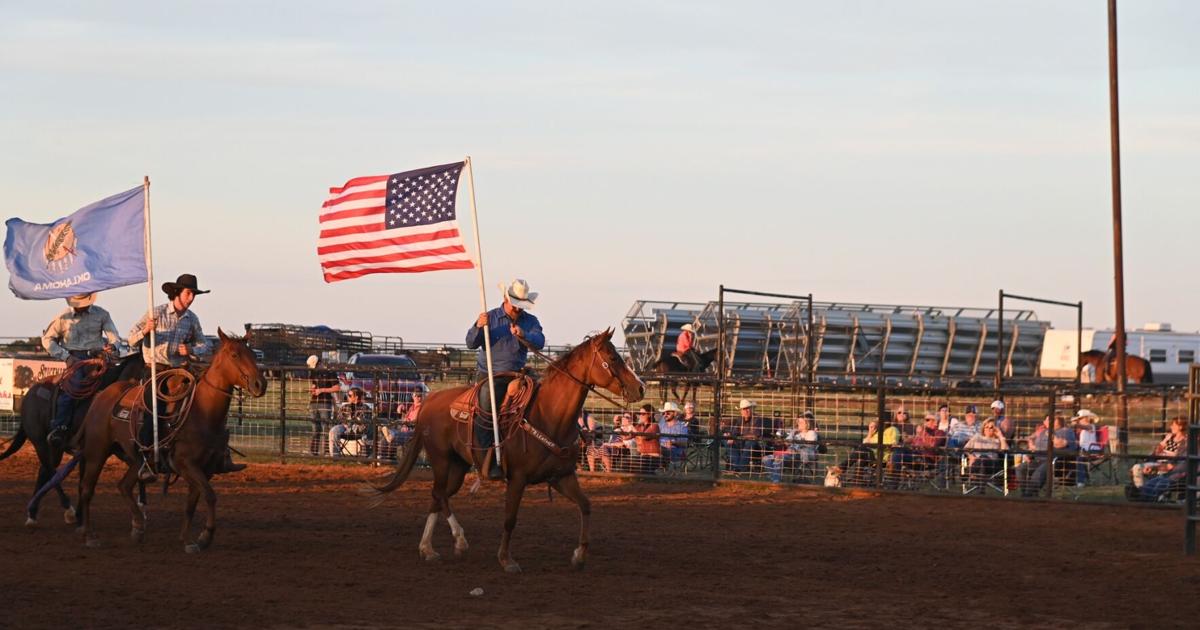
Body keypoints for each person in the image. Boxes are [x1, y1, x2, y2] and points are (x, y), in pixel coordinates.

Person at [127, 273, 226, 482]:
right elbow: (130, 338)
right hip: (156, 368)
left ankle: (211, 451)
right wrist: (146, 330)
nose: (191, 298)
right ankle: (146, 457)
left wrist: (190, 348)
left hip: (181, 371)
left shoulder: (192, 319)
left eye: (194, 294)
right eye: (189, 293)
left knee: (204, 405)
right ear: (177, 293)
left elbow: (204, 345)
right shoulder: (156, 313)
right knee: (155, 408)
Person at [465, 278, 545, 479]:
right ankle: (486, 462)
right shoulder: (489, 318)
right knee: (486, 411)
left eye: (521, 305)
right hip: (491, 375)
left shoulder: (530, 321)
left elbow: (540, 341)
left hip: (518, 374)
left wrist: (525, 334)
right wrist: (477, 326)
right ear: (505, 298)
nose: (518, 309)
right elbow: (470, 343)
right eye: (515, 304)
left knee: (543, 400)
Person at [41, 292, 122, 447]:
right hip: (75, 360)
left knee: (117, 387)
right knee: (74, 388)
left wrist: (112, 346)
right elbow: (47, 339)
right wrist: (66, 357)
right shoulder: (63, 318)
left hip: (98, 359)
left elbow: (115, 337)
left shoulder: (102, 314)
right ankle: (59, 426)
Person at [1019, 414, 1078, 497]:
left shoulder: (1066, 431)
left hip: (1056, 461)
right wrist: (1029, 454)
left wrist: (1050, 435)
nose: (1050, 421)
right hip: (1038, 459)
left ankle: (1028, 495)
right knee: (1021, 468)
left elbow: (1060, 444)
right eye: (1048, 420)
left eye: (1053, 419)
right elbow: (1036, 446)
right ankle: (1026, 493)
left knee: (1038, 472)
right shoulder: (1043, 432)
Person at [1129, 417, 1188, 496]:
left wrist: (1157, 465)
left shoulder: (1185, 441)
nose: (1171, 427)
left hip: (1166, 463)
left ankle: (1142, 493)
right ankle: (1140, 490)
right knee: (1136, 468)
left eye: (1173, 425)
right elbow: (1159, 447)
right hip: (1157, 460)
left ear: (1180, 427)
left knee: (1139, 468)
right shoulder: (1169, 436)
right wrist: (1155, 453)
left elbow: (1175, 459)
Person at [762, 412, 819, 483]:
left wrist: (794, 449)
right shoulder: (795, 432)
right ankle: (775, 478)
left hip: (801, 456)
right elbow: (786, 442)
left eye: (801, 422)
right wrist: (782, 441)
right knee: (766, 459)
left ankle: (776, 482)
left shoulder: (811, 433)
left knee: (779, 458)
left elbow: (809, 447)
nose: (798, 424)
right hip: (789, 454)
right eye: (798, 422)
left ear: (807, 424)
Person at [307, 355, 340, 456]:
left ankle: (326, 451)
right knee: (315, 428)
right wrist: (313, 390)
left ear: (320, 363)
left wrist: (321, 390)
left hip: (325, 403)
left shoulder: (330, 372)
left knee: (326, 428)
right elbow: (314, 385)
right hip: (314, 403)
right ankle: (314, 452)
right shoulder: (314, 373)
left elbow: (337, 387)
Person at [962, 419, 1009, 490]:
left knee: (983, 457)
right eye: (986, 427)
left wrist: (1000, 435)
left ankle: (969, 473)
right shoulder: (977, 437)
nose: (988, 429)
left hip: (992, 465)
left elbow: (1005, 450)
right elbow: (965, 449)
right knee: (981, 462)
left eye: (991, 427)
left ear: (995, 429)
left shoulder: (997, 440)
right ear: (983, 428)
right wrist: (971, 456)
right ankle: (981, 487)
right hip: (977, 464)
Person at [727, 399, 766, 473]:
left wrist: (739, 437)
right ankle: (737, 467)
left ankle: (740, 468)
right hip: (741, 441)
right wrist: (731, 436)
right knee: (728, 442)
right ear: (741, 411)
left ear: (751, 409)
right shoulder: (739, 419)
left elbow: (755, 435)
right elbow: (735, 431)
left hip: (755, 443)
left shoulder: (757, 419)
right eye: (744, 409)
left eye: (748, 408)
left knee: (749, 443)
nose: (746, 411)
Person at [330, 387, 371, 457]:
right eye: (347, 395)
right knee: (334, 430)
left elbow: (364, 422)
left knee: (362, 428)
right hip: (344, 427)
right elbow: (338, 419)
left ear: (356, 397)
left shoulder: (365, 408)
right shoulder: (344, 407)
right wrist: (344, 424)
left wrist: (356, 422)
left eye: (349, 395)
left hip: (358, 430)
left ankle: (366, 455)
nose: (347, 397)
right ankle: (335, 455)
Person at [658, 401, 689, 467]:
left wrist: (673, 442)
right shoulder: (661, 423)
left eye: (668, 413)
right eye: (664, 413)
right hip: (659, 449)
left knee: (659, 450)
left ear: (675, 413)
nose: (665, 414)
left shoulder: (681, 427)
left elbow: (685, 443)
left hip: (674, 452)